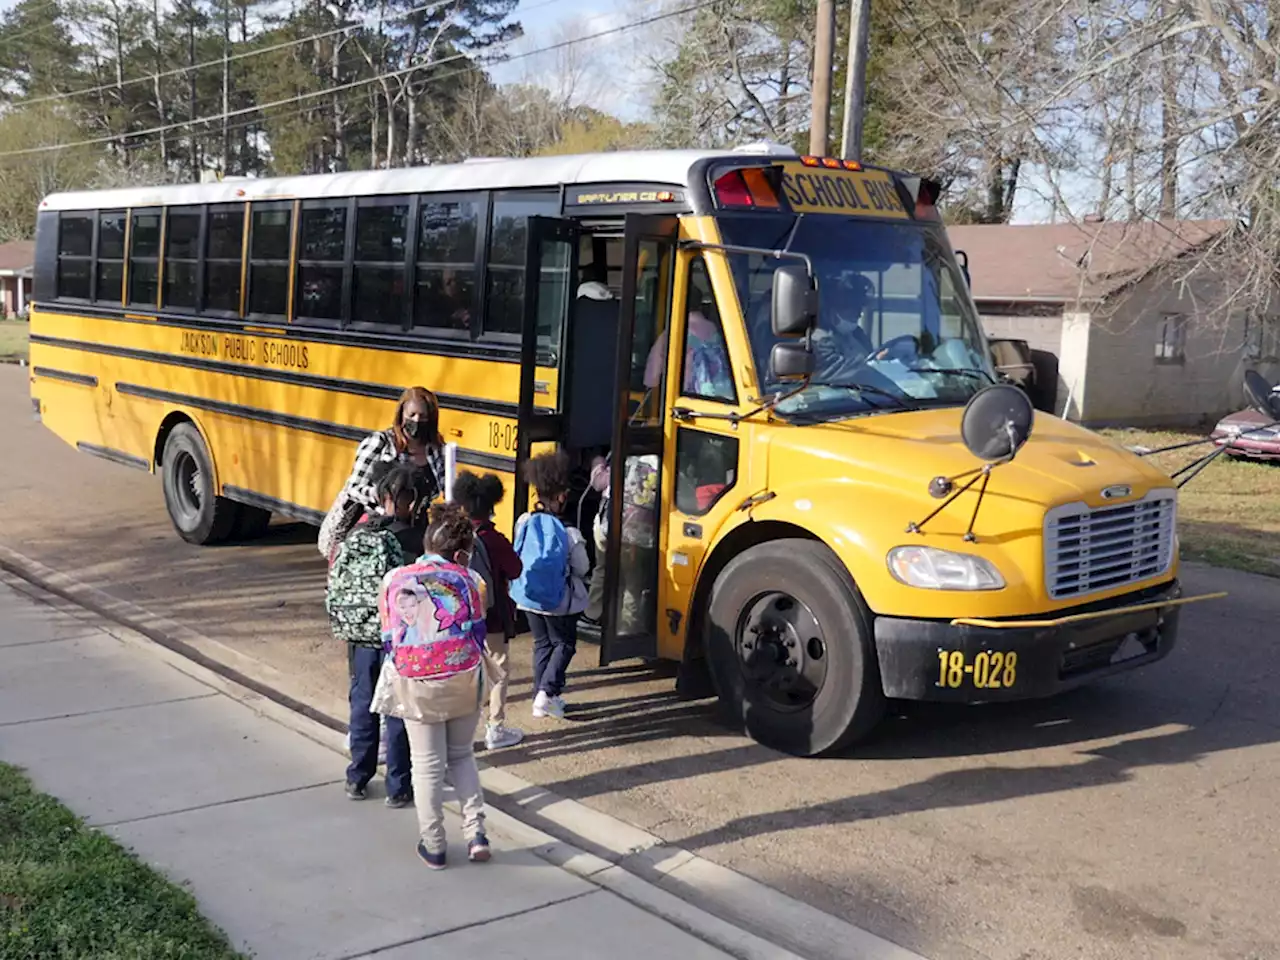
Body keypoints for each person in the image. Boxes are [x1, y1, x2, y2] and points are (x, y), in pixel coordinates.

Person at [373, 502, 491, 870]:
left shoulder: (394, 580)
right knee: (462, 756)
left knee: (425, 766)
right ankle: (476, 835)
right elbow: (479, 633)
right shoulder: (472, 581)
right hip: (463, 679)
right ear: (459, 553)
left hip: (417, 683)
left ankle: (435, 846)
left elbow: (388, 639)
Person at [326, 464, 425, 807]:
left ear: (382, 497)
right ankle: (398, 787)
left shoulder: (359, 533)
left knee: (363, 704)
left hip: (360, 634)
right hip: (397, 640)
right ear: (411, 502)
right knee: (396, 709)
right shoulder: (414, 540)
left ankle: (357, 777)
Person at [319, 386, 447, 563]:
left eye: (423, 416)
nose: (417, 421)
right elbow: (354, 488)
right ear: (401, 414)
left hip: (418, 529)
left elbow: (446, 488)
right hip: (379, 525)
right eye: (412, 415)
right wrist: (384, 496)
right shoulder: (380, 443)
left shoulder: (436, 448)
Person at [511, 450, 590, 721]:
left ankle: (540, 697)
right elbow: (582, 567)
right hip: (558, 601)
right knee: (564, 644)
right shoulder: (570, 533)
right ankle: (548, 691)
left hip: (528, 597)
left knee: (542, 644)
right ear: (560, 496)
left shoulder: (524, 521)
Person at [452, 470, 525, 750]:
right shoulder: (495, 539)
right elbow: (515, 569)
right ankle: (495, 728)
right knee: (498, 671)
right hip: (492, 618)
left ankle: (462, 730)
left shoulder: (454, 537)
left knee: (466, 673)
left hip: (458, 618)